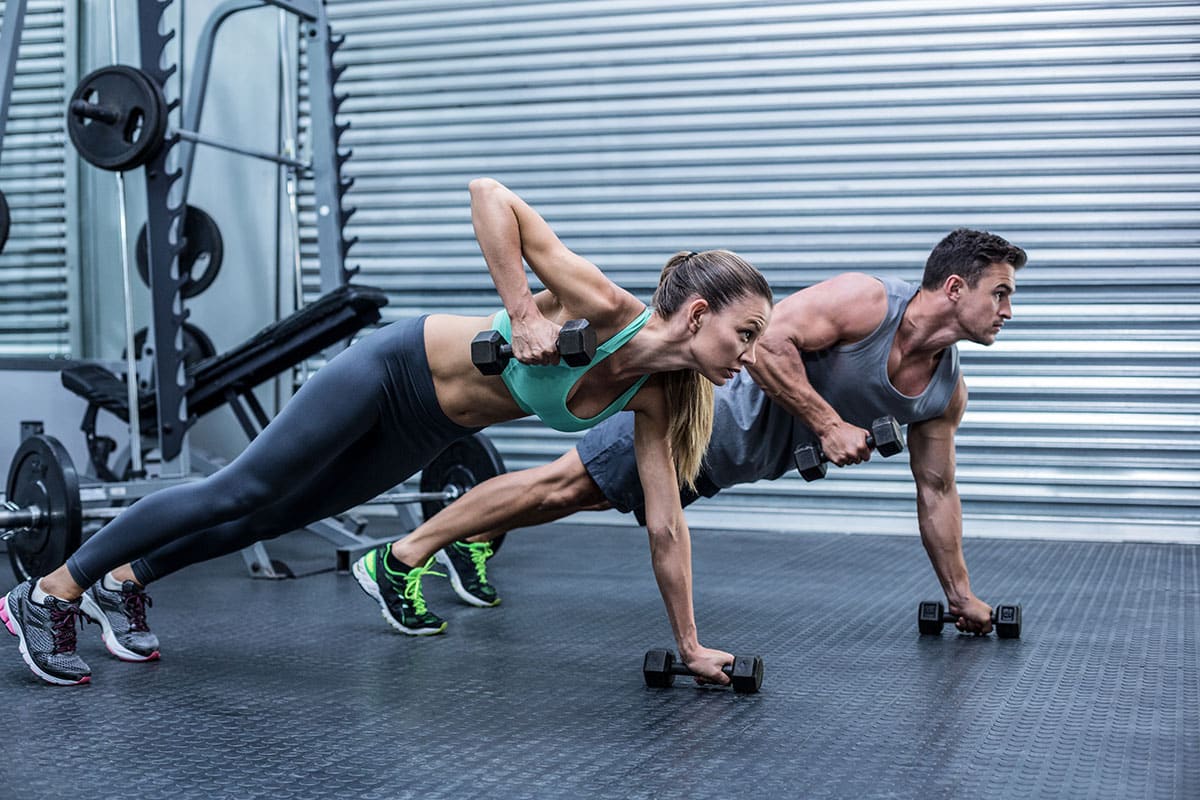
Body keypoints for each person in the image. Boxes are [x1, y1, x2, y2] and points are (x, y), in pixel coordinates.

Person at [0, 177, 773, 686]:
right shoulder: (603, 305)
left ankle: (124, 581)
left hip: (427, 426)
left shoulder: (658, 400)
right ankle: (47, 593)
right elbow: (489, 195)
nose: (750, 354)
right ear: (699, 315)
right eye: (746, 332)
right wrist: (526, 310)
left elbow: (667, 527)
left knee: (279, 514)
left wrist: (693, 643)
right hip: (391, 368)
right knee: (243, 487)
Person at [361, 228, 1026, 636]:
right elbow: (765, 345)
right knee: (563, 484)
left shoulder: (944, 391)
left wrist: (960, 594)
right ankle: (403, 556)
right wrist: (826, 422)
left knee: (580, 493)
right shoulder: (866, 302)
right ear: (953, 287)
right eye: (999, 292)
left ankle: (466, 540)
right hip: (692, 420)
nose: (1007, 309)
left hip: (721, 464)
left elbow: (937, 491)